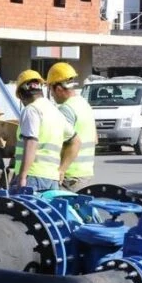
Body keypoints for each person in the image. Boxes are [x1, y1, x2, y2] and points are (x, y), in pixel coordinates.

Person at [11, 69, 81, 191]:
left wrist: (22, 176)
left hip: (32, 176)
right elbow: (76, 141)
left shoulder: (31, 110)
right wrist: (61, 170)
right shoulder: (55, 111)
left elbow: (32, 142)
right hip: (52, 178)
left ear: (21, 95)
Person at [46, 62, 97, 192]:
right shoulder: (84, 104)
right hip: (85, 173)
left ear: (58, 89)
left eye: (50, 90)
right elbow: (95, 139)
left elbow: (67, 142)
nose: (51, 95)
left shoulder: (66, 109)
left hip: (69, 175)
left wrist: (61, 170)